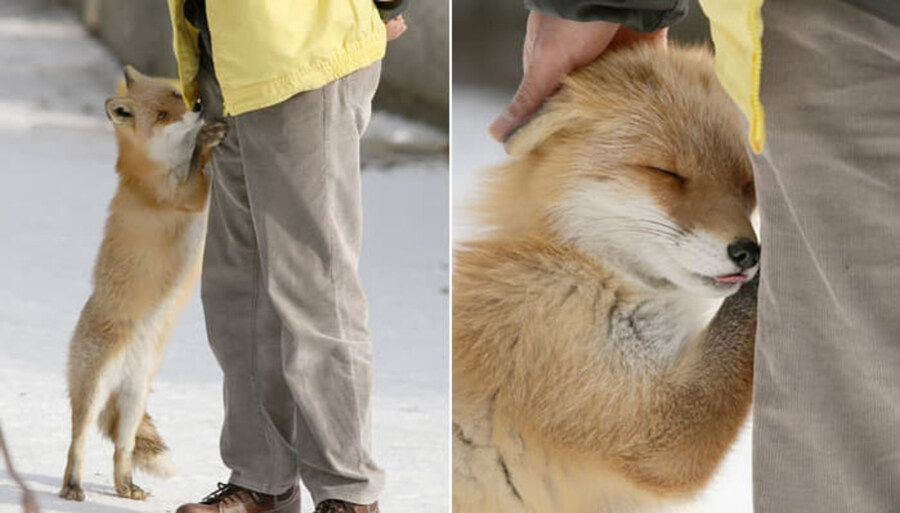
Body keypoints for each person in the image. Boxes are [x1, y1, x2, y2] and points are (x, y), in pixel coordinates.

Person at [492, 1, 900, 512]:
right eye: (670, 177)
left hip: (835, 34)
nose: (737, 228)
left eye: (745, 190)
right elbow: (666, 452)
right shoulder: (534, 299)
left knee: (849, 431)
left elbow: (672, 453)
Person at [165, 1, 407, 512]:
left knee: (313, 286)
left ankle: (348, 492)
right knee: (240, 288)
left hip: (301, 50)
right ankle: (262, 482)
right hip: (224, 55)